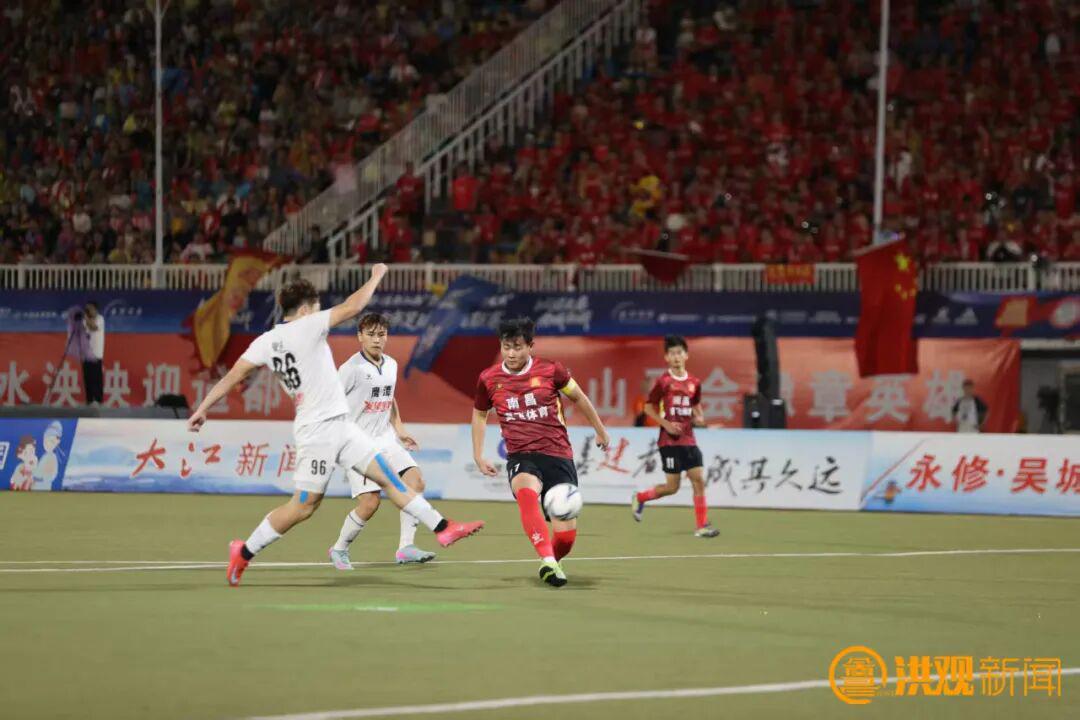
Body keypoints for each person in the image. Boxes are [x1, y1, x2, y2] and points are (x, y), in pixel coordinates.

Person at [187, 267, 483, 586]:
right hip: (316, 432)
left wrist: (202, 408)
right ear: (305, 310)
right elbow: (354, 306)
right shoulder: (307, 326)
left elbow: (233, 376)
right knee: (304, 507)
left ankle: (443, 528)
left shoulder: (264, 342)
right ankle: (244, 551)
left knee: (389, 479)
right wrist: (376, 275)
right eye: (316, 306)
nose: (320, 311)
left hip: (342, 426)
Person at [472, 317, 611, 587]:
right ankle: (547, 559)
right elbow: (479, 414)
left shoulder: (551, 370)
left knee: (566, 537)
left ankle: (552, 561)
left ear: (530, 346)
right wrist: (478, 454)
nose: (511, 353)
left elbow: (579, 397)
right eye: (506, 347)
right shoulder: (488, 379)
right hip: (521, 455)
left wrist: (600, 430)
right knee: (526, 493)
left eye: (517, 347)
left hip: (557, 453)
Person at [329, 312, 437, 569]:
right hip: (359, 445)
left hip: (386, 439)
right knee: (370, 503)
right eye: (371, 334)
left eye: (381, 334)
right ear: (360, 336)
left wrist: (399, 428)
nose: (377, 339)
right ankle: (339, 548)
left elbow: (389, 397)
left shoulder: (391, 364)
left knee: (415, 481)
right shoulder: (350, 369)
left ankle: (406, 547)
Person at [631, 336, 719, 537]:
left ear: (686, 355)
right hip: (668, 442)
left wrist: (700, 418)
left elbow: (696, 405)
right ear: (666, 357)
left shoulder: (694, 383)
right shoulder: (663, 382)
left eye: (679, 353)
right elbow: (648, 408)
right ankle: (641, 497)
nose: (676, 357)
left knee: (698, 480)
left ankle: (701, 526)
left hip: (689, 440)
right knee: (672, 487)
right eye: (672, 354)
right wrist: (667, 425)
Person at [83, 302, 105, 405]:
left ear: (95, 310)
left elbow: (93, 327)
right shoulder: (85, 320)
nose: (88, 311)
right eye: (87, 309)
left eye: (90, 309)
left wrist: (86, 319)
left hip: (96, 354)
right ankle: (89, 400)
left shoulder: (100, 319)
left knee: (96, 378)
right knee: (88, 378)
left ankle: (98, 400)